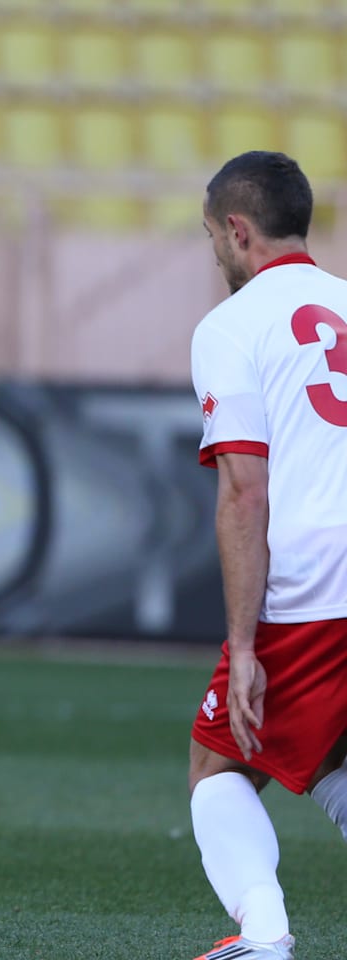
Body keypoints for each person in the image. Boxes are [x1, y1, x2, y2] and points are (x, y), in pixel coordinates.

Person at [187, 150, 347, 960]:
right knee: (329, 752)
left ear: (238, 230)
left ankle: (266, 938)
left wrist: (245, 646)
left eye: (213, 236)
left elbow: (246, 491)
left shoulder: (230, 327)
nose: (214, 252)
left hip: (314, 585)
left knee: (217, 762)